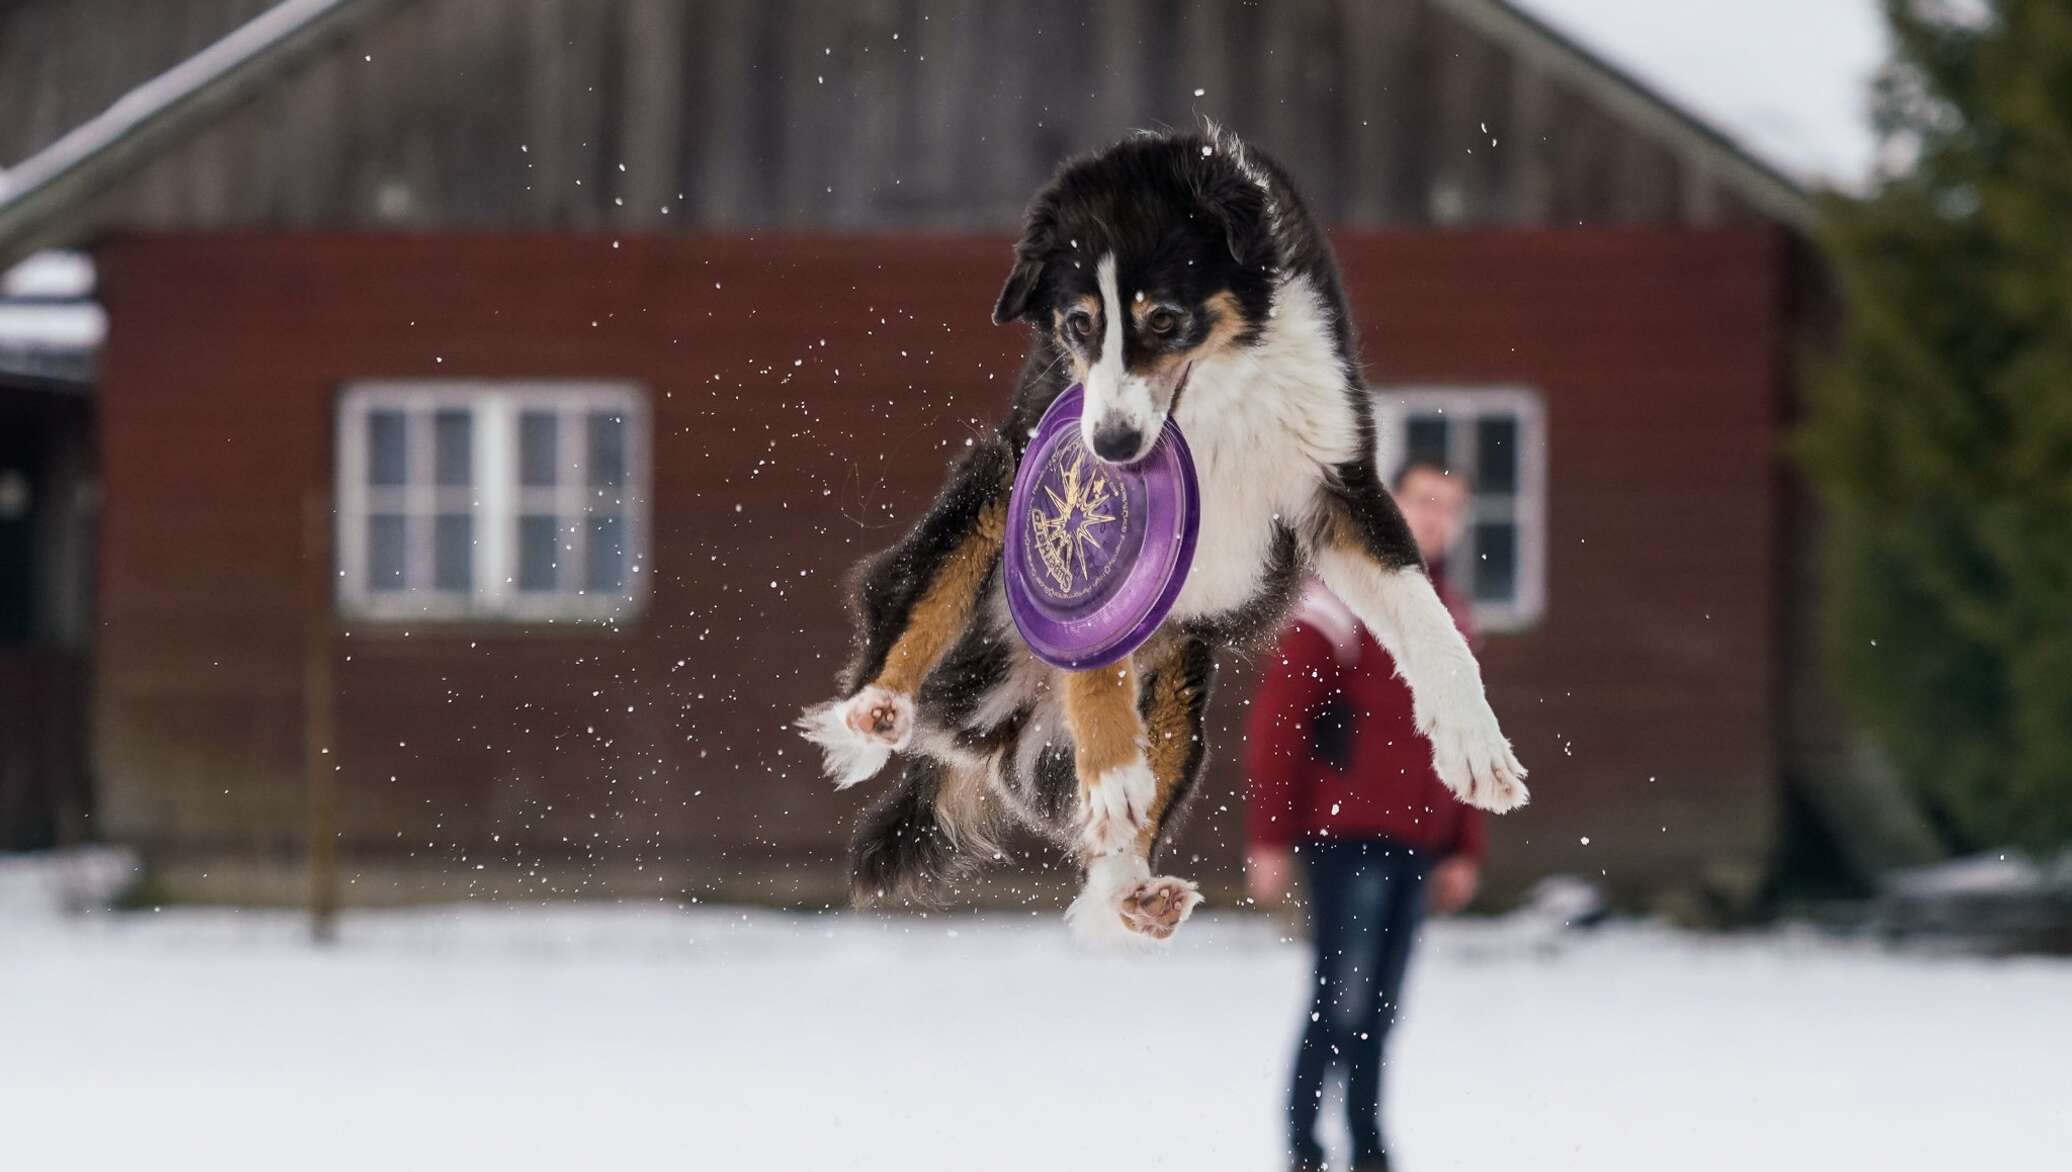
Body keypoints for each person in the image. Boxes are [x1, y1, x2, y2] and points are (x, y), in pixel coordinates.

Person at [1246, 457, 1486, 1172]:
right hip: (1346, 838)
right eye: (1423, 501)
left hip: (1421, 841)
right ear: (1392, 507)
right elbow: (1278, 724)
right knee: (1338, 1000)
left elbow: (1471, 733)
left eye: (1449, 506)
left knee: (1382, 1009)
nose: (1434, 517)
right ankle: (1304, 1143)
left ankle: (1368, 1142)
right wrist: (1269, 838)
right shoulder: (1340, 600)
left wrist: (1465, 844)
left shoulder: (1454, 620)